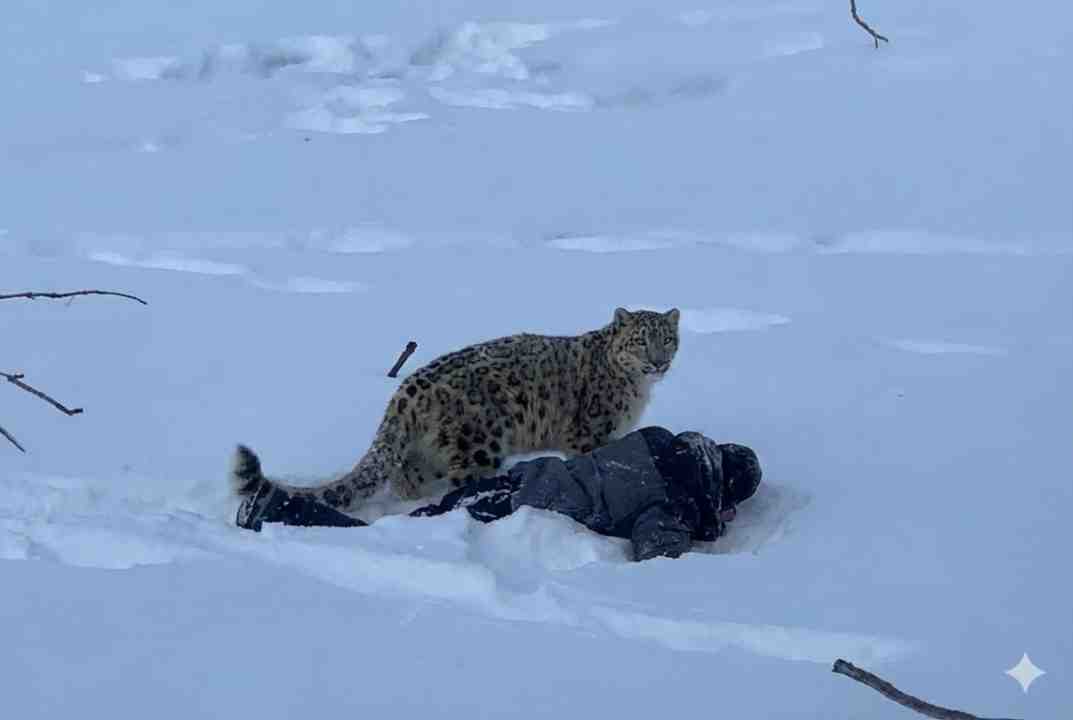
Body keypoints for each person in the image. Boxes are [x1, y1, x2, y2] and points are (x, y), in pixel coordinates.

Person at [235, 426, 762, 562]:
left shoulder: (656, 442)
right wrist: (702, 525)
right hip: (510, 514)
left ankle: (282, 511)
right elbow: (657, 554)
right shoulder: (674, 503)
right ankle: (279, 511)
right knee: (384, 543)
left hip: (509, 485)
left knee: (398, 533)